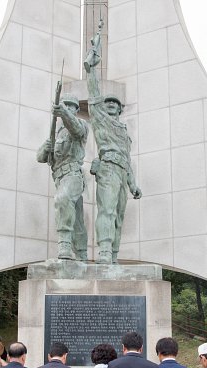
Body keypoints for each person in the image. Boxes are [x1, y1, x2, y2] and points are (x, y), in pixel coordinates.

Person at [84, 27, 142, 264]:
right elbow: (94, 92)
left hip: (121, 171)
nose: (110, 105)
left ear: (120, 110)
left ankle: (114, 254)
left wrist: (133, 183)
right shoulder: (101, 120)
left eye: (114, 104)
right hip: (107, 168)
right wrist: (92, 68)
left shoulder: (124, 132)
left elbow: (128, 160)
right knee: (106, 211)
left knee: (118, 215)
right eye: (107, 103)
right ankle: (105, 251)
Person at [36, 93, 89, 260]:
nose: (67, 107)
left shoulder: (81, 124)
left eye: (70, 106)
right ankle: (81, 254)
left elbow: (76, 130)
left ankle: (64, 244)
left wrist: (64, 113)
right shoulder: (56, 133)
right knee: (77, 221)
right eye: (64, 104)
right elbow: (40, 158)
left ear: (76, 109)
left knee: (62, 199)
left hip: (73, 175)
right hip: (59, 178)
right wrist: (46, 148)